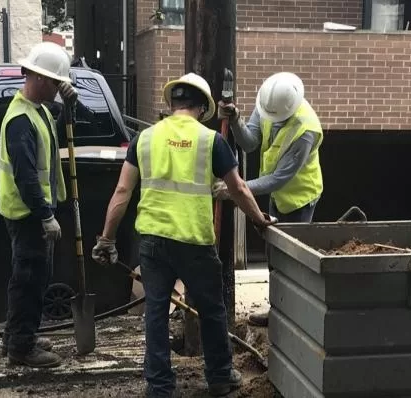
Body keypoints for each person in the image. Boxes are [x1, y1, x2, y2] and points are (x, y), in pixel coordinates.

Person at [90, 72, 274, 397]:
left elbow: (122, 191)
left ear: (171, 103)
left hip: (153, 243)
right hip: (194, 243)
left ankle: (160, 387)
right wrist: (259, 221)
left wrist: (107, 239)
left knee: (156, 313)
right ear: (202, 108)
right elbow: (240, 189)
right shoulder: (210, 140)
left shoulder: (144, 138)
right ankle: (219, 377)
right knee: (212, 310)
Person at [216, 71, 324, 327]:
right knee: (274, 256)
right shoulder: (268, 105)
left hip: (299, 199)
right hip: (277, 196)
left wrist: (235, 188)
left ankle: (293, 316)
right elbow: (250, 142)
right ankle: (277, 309)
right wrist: (235, 121)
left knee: (293, 261)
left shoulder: (305, 130)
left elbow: (279, 178)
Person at [0, 41, 77, 368]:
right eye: (58, 83)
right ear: (42, 79)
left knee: (31, 279)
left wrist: (71, 107)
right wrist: (45, 216)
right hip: (28, 215)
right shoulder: (20, 120)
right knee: (29, 280)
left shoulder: (39, 111)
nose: (60, 89)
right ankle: (21, 347)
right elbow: (26, 176)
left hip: (35, 213)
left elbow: (60, 137)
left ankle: (18, 334)